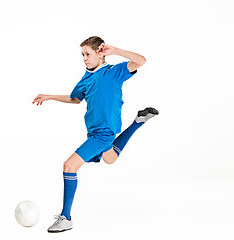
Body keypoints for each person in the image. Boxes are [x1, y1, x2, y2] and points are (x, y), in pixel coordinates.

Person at [32, 36, 159, 233]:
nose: (84, 58)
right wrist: (50, 96)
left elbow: (141, 61)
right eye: (82, 55)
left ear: (100, 54)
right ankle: (137, 123)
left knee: (69, 166)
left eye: (87, 54)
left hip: (105, 132)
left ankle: (66, 217)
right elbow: (75, 99)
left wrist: (115, 50)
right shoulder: (86, 78)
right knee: (110, 159)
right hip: (94, 133)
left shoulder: (114, 72)